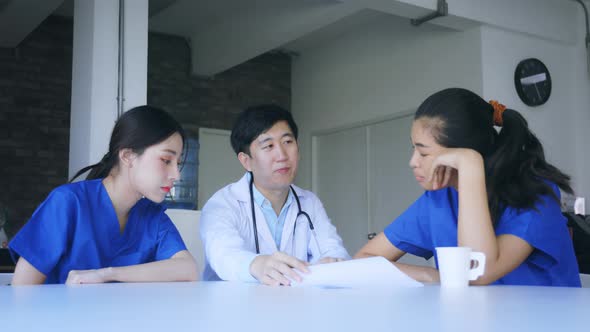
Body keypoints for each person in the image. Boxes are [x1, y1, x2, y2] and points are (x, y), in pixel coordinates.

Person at [355, 88, 581, 287]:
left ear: (460, 153)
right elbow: (365, 259)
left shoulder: (535, 193)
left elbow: (478, 272)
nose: (413, 162)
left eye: (423, 152)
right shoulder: (438, 200)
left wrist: (470, 166)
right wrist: (429, 275)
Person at [9, 106, 198, 285]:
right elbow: (22, 290)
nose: (176, 174)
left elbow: (188, 269)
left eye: (177, 163)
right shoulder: (68, 203)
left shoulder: (152, 216)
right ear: (127, 156)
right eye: (166, 160)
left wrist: (107, 274)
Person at [200, 104, 349, 286]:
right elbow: (223, 255)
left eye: (287, 142)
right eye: (268, 146)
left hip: (297, 305)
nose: (282, 155)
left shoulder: (309, 202)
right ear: (246, 161)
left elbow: (333, 249)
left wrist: (333, 262)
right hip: (236, 307)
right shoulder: (222, 204)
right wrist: (257, 265)